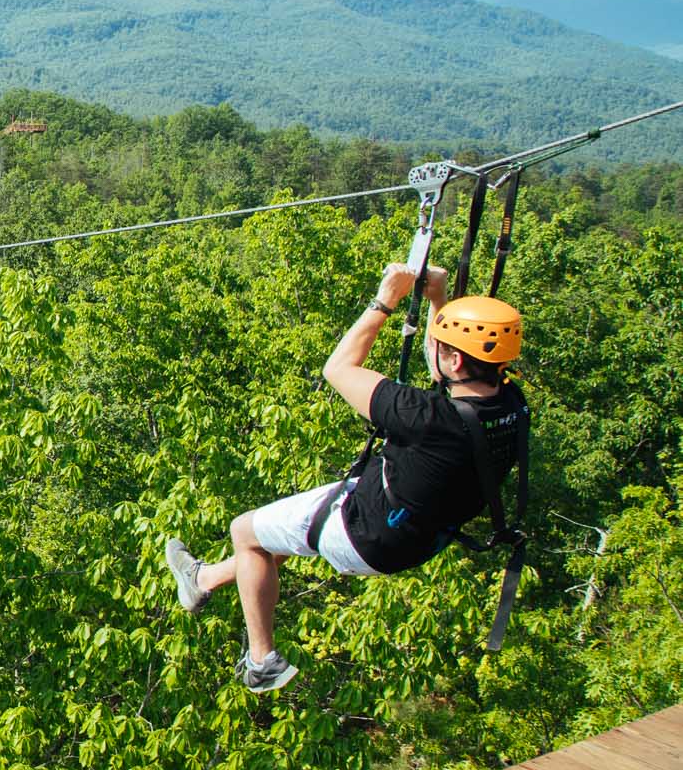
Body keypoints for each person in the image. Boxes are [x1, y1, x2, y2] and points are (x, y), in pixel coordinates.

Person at [163, 262, 530, 692]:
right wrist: (436, 299)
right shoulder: (511, 403)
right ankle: (202, 581)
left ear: (455, 358)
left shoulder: (427, 417)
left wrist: (385, 300)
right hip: (419, 534)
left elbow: (337, 369)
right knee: (275, 536)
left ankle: (262, 660)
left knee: (245, 532)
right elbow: (443, 368)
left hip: (364, 529)